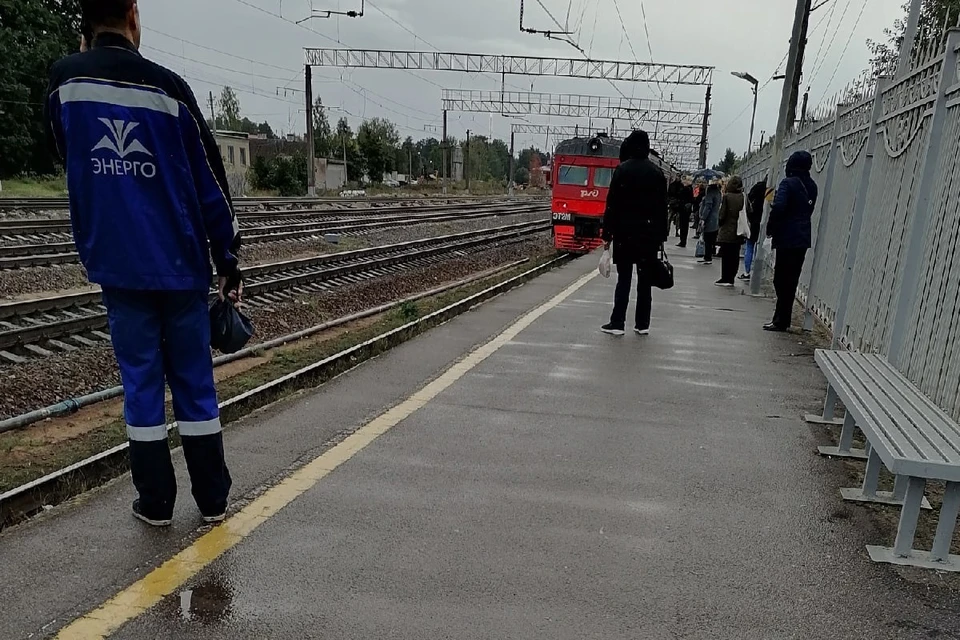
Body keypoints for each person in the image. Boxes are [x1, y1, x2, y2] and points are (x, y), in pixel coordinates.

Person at [45, 0, 242, 526]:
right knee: (195, 381)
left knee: (140, 383)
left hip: (117, 263)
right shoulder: (170, 89)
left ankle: (154, 503)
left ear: (83, 25)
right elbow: (210, 183)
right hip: (180, 264)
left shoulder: (64, 84)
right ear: (134, 16)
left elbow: (69, 157)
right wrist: (227, 257)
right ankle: (214, 501)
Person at [600, 130, 669, 336]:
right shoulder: (657, 174)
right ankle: (642, 324)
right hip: (648, 236)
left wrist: (607, 234)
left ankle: (618, 323)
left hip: (625, 234)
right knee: (645, 281)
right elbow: (662, 208)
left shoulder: (622, 170)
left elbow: (612, 204)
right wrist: (661, 236)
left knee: (624, 279)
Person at [764, 151, 818, 332]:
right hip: (802, 238)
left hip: (786, 238)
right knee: (792, 279)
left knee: (780, 279)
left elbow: (779, 206)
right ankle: (782, 318)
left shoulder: (788, 183)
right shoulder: (812, 186)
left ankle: (780, 319)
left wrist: (771, 227)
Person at [715, 176, 745, 287]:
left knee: (726, 256)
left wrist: (720, 223)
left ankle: (725, 278)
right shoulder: (743, 197)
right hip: (739, 230)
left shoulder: (727, 197)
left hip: (727, 230)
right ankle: (732, 277)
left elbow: (722, 215)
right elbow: (749, 211)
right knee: (735, 255)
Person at [741, 177, 768, 280]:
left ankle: (747, 272)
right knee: (760, 248)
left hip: (753, 221)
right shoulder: (771, 190)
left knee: (750, 246)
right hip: (764, 221)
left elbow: (748, 200)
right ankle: (757, 272)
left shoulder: (757, 188)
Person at [697, 181, 722, 265]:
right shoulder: (719, 193)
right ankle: (710, 255)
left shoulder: (710, 194)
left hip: (709, 219)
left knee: (707, 238)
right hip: (716, 218)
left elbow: (708, 207)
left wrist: (703, 218)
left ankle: (707, 257)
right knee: (712, 238)